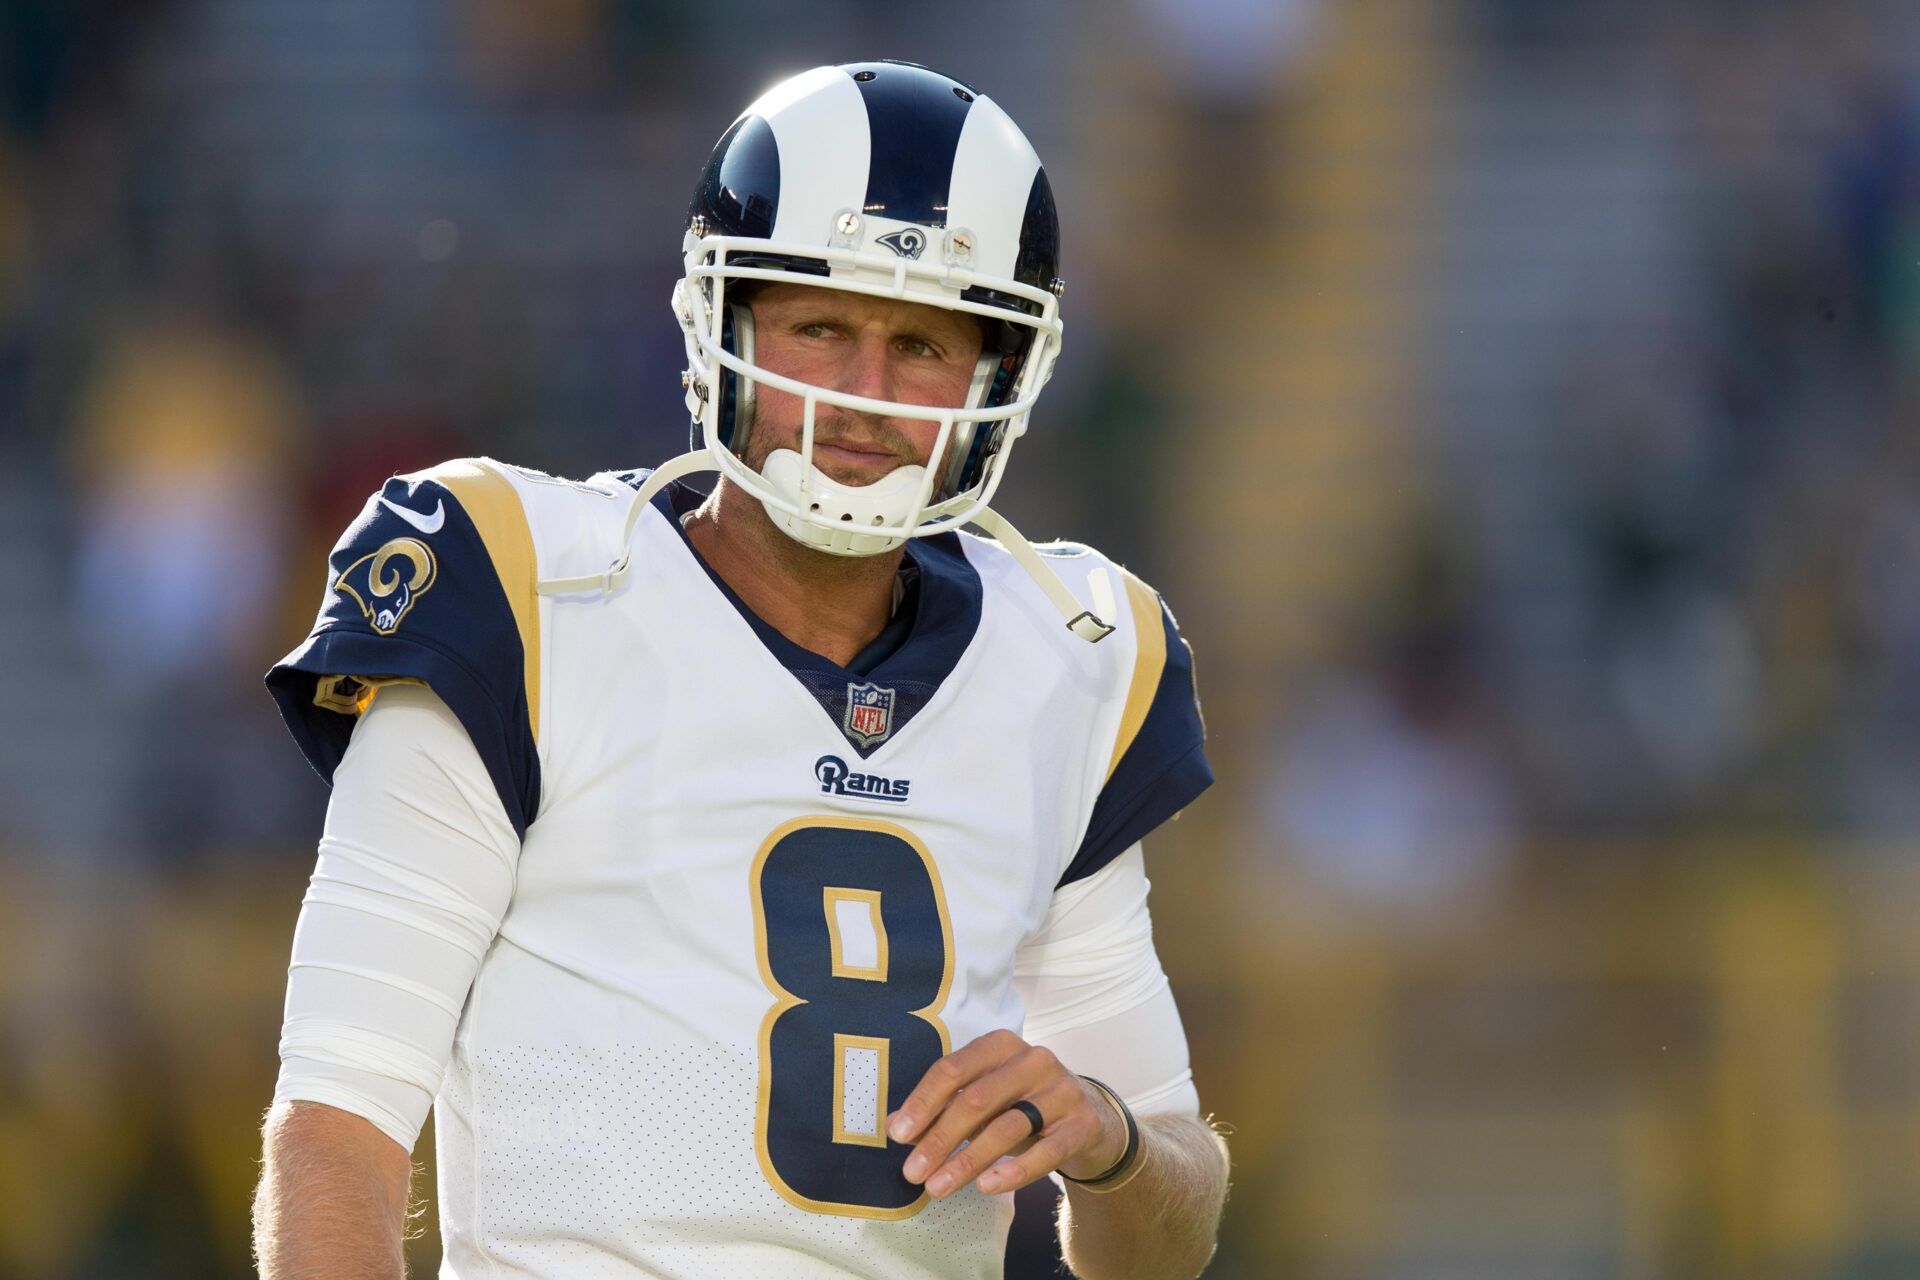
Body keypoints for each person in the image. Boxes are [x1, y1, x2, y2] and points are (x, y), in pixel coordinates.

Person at [251, 60, 1230, 1280]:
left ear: (997, 379)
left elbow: (1164, 1236)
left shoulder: (1073, 657)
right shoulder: (525, 593)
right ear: (724, 323)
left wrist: (1111, 1135)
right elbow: (336, 1126)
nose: (863, 397)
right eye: (821, 326)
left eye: (921, 343)